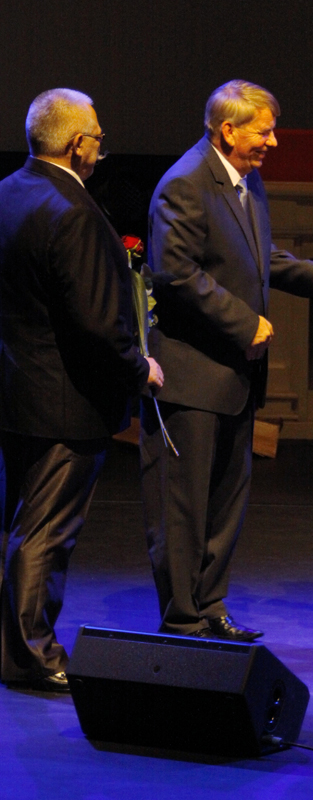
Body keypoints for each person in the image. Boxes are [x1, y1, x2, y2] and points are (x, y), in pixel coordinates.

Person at [141, 79, 313, 640]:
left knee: (227, 501)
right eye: (265, 132)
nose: (273, 142)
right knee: (183, 509)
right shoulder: (184, 183)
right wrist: (244, 321)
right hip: (191, 376)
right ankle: (183, 619)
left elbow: (257, 256)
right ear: (228, 130)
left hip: (234, 377)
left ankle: (210, 606)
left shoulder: (245, 180)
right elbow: (177, 274)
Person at [0, 88, 164, 692]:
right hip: (64, 405)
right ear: (77, 144)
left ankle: (11, 650)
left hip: (16, 393)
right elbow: (96, 323)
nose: (101, 146)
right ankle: (33, 657)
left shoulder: (8, 192)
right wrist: (139, 369)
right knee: (45, 534)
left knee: (18, 529)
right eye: (97, 136)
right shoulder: (73, 211)